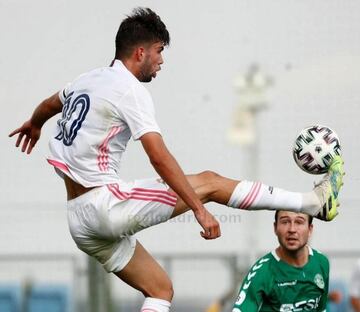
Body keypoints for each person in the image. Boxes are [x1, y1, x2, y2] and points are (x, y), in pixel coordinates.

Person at [9, 7, 344, 312]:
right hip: (103, 206)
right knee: (209, 182)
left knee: (160, 290)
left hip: (79, 222)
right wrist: (198, 209)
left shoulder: (87, 80)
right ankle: (312, 203)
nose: (161, 61)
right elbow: (158, 156)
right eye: (158, 52)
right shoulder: (129, 90)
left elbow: (51, 103)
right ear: (140, 52)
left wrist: (35, 124)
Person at [232, 210, 330, 312]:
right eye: (285, 222)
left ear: (310, 229)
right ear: (275, 228)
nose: (292, 229)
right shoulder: (262, 271)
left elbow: (322, 309)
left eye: (299, 222)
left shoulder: (322, 262)